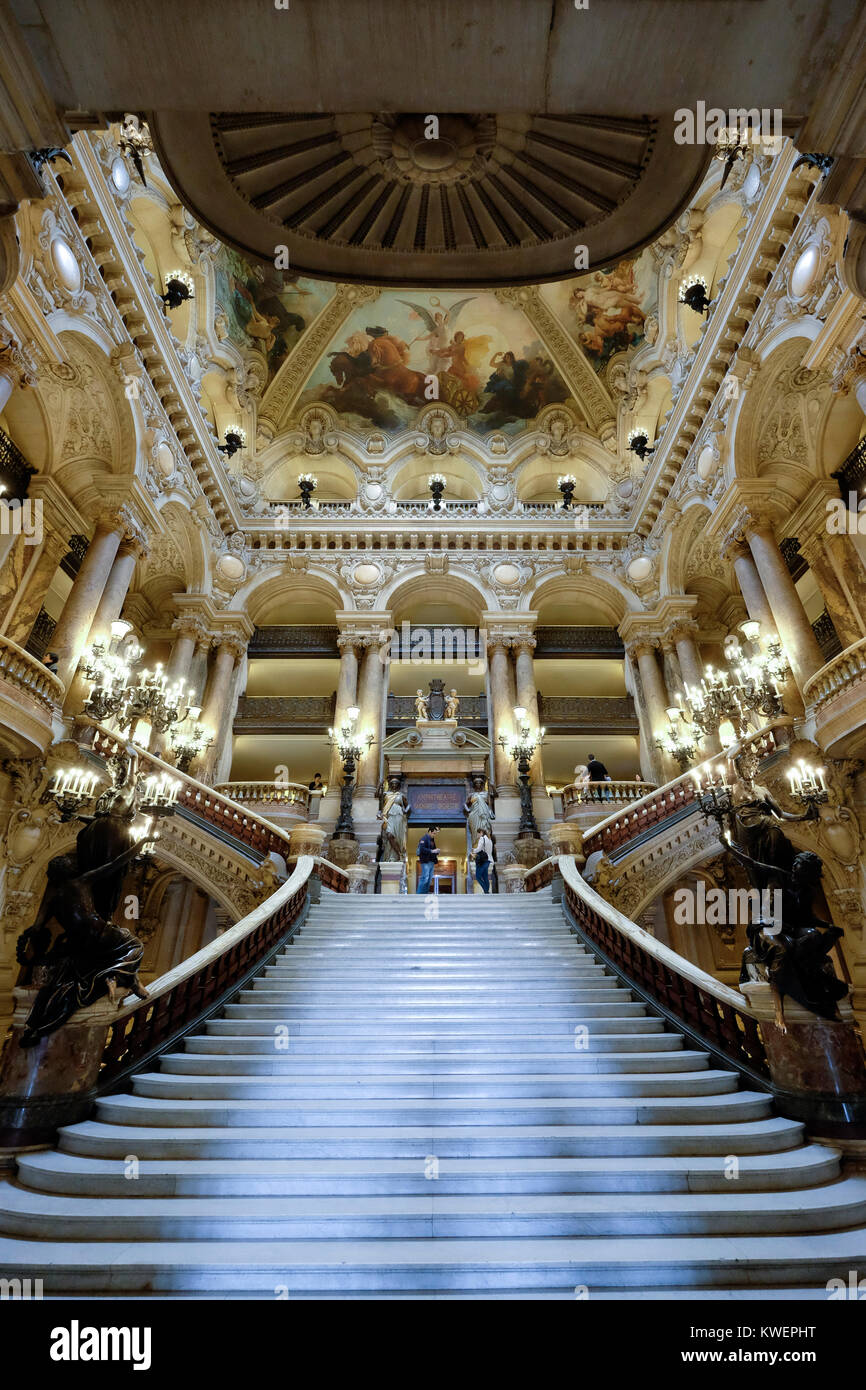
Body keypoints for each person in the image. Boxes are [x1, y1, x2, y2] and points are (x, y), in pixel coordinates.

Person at [416, 825, 439, 894]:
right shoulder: (424, 838)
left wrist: (436, 851)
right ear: (429, 832)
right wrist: (432, 851)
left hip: (431, 861)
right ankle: (419, 894)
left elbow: (432, 850)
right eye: (433, 833)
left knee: (429, 879)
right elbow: (422, 849)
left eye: (435, 833)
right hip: (425, 861)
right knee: (425, 877)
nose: (434, 835)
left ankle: (425, 893)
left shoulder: (432, 840)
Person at [471, 829, 493, 894]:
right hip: (488, 860)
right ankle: (487, 891)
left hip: (482, 860)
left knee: (478, 877)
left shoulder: (482, 838)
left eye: (478, 833)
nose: (477, 835)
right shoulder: (489, 840)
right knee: (485, 876)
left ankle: (486, 890)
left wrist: (473, 850)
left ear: (481, 833)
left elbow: (479, 849)